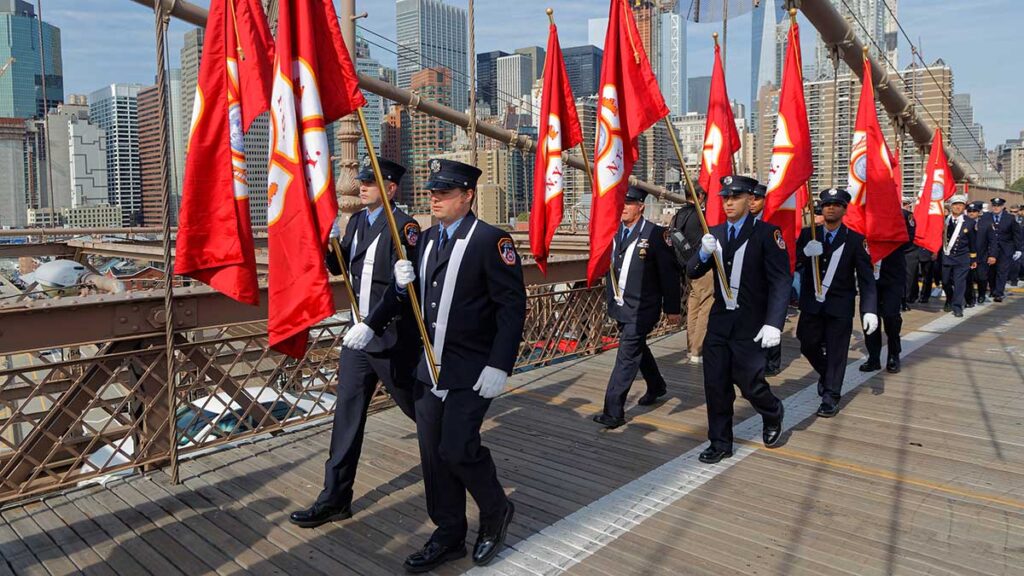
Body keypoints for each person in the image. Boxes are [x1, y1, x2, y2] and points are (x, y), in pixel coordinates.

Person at [352, 158, 525, 572]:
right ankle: (448, 533)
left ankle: (495, 510)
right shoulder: (425, 240)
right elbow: (403, 297)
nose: (435, 199)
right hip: (427, 369)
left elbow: (511, 309)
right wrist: (373, 321)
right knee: (432, 455)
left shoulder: (490, 241)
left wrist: (500, 365)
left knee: (457, 448)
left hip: (471, 369)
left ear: (467, 196)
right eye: (432, 193)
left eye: (444, 193)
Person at [290, 158, 421, 529]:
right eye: (361, 181)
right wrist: (328, 243)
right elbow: (341, 269)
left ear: (391, 188)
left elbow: (403, 288)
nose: (361, 187)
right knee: (346, 417)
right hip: (358, 340)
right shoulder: (358, 222)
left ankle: (457, 458)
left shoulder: (404, 228)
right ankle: (334, 499)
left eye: (369, 183)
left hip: (391, 338)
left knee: (421, 411)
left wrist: (372, 325)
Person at [686, 175, 789, 464]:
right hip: (719, 323)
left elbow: (781, 281)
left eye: (736, 197)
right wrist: (703, 253)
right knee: (716, 385)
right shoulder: (714, 234)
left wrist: (774, 323)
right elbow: (692, 271)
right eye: (725, 198)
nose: (729, 203)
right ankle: (720, 442)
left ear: (749, 200)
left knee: (750, 383)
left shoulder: (767, 234)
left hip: (751, 324)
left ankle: (772, 411)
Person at [595, 186, 681, 428]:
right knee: (636, 347)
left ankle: (613, 411)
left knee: (626, 356)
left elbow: (669, 275)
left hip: (643, 307)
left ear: (640, 206)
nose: (623, 207)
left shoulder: (655, 235)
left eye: (629, 203)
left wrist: (672, 308)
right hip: (621, 305)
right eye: (621, 202)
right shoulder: (613, 232)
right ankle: (657, 385)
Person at [795, 188, 878, 418]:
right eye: (827, 204)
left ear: (844, 209)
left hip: (839, 306)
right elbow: (790, 264)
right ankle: (826, 374)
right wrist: (804, 253)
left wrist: (870, 309)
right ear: (820, 207)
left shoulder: (854, 240)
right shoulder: (808, 234)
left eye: (836, 204)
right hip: (812, 304)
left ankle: (831, 396)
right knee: (807, 343)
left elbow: (866, 279)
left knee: (837, 352)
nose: (831, 208)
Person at [861, 203, 911, 373]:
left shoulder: (903, 216)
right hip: (869, 276)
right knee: (869, 318)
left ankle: (893, 354)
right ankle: (873, 357)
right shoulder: (862, 213)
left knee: (891, 317)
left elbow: (908, 241)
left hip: (892, 276)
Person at [670, 186, 712, 364]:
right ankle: (698, 350)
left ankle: (690, 348)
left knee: (693, 306)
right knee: (705, 306)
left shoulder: (678, 215)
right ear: (700, 196)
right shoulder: (699, 216)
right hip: (702, 267)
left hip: (687, 268)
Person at [748, 182, 783, 376]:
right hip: (751, 281)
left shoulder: (773, 223)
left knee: (771, 319)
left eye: (757, 199)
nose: (753, 203)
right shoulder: (744, 222)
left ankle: (773, 360)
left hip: (769, 278)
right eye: (750, 199)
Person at [976, 197, 1022, 302]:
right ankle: (993, 290)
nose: (996, 208)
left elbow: (1016, 234)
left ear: (1002, 207)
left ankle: (998, 293)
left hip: (1005, 249)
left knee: (1002, 271)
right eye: (994, 206)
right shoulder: (986, 217)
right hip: (990, 249)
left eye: (998, 206)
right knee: (991, 271)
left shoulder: (1010, 218)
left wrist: (1018, 249)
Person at [941, 195, 977, 317]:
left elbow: (973, 242)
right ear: (951, 206)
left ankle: (957, 306)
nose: (958, 207)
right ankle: (949, 299)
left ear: (964, 207)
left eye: (961, 205)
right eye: (955, 204)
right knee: (945, 282)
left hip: (962, 257)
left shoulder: (970, 222)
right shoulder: (944, 220)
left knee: (959, 282)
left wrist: (973, 258)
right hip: (947, 256)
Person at [964, 201, 984, 307]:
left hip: (981, 255)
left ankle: (981, 295)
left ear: (978, 212)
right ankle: (970, 299)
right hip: (968, 255)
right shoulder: (963, 222)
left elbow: (991, 240)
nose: (971, 213)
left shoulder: (984, 224)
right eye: (969, 211)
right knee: (968, 278)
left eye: (974, 211)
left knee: (981, 278)